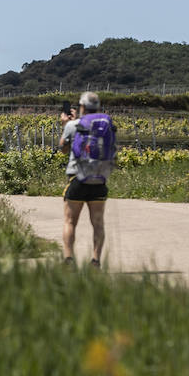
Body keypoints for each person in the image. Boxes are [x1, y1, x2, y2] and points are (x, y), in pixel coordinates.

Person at [58, 92, 109, 268]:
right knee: (98, 223)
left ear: (81, 107)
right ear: (98, 108)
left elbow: (62, 149)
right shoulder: (104, 126)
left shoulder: (72, 125)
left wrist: (66, 124)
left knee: (70, 221)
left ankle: (69, 260)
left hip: (77, 178)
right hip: (99, 179)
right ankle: (95, 261)